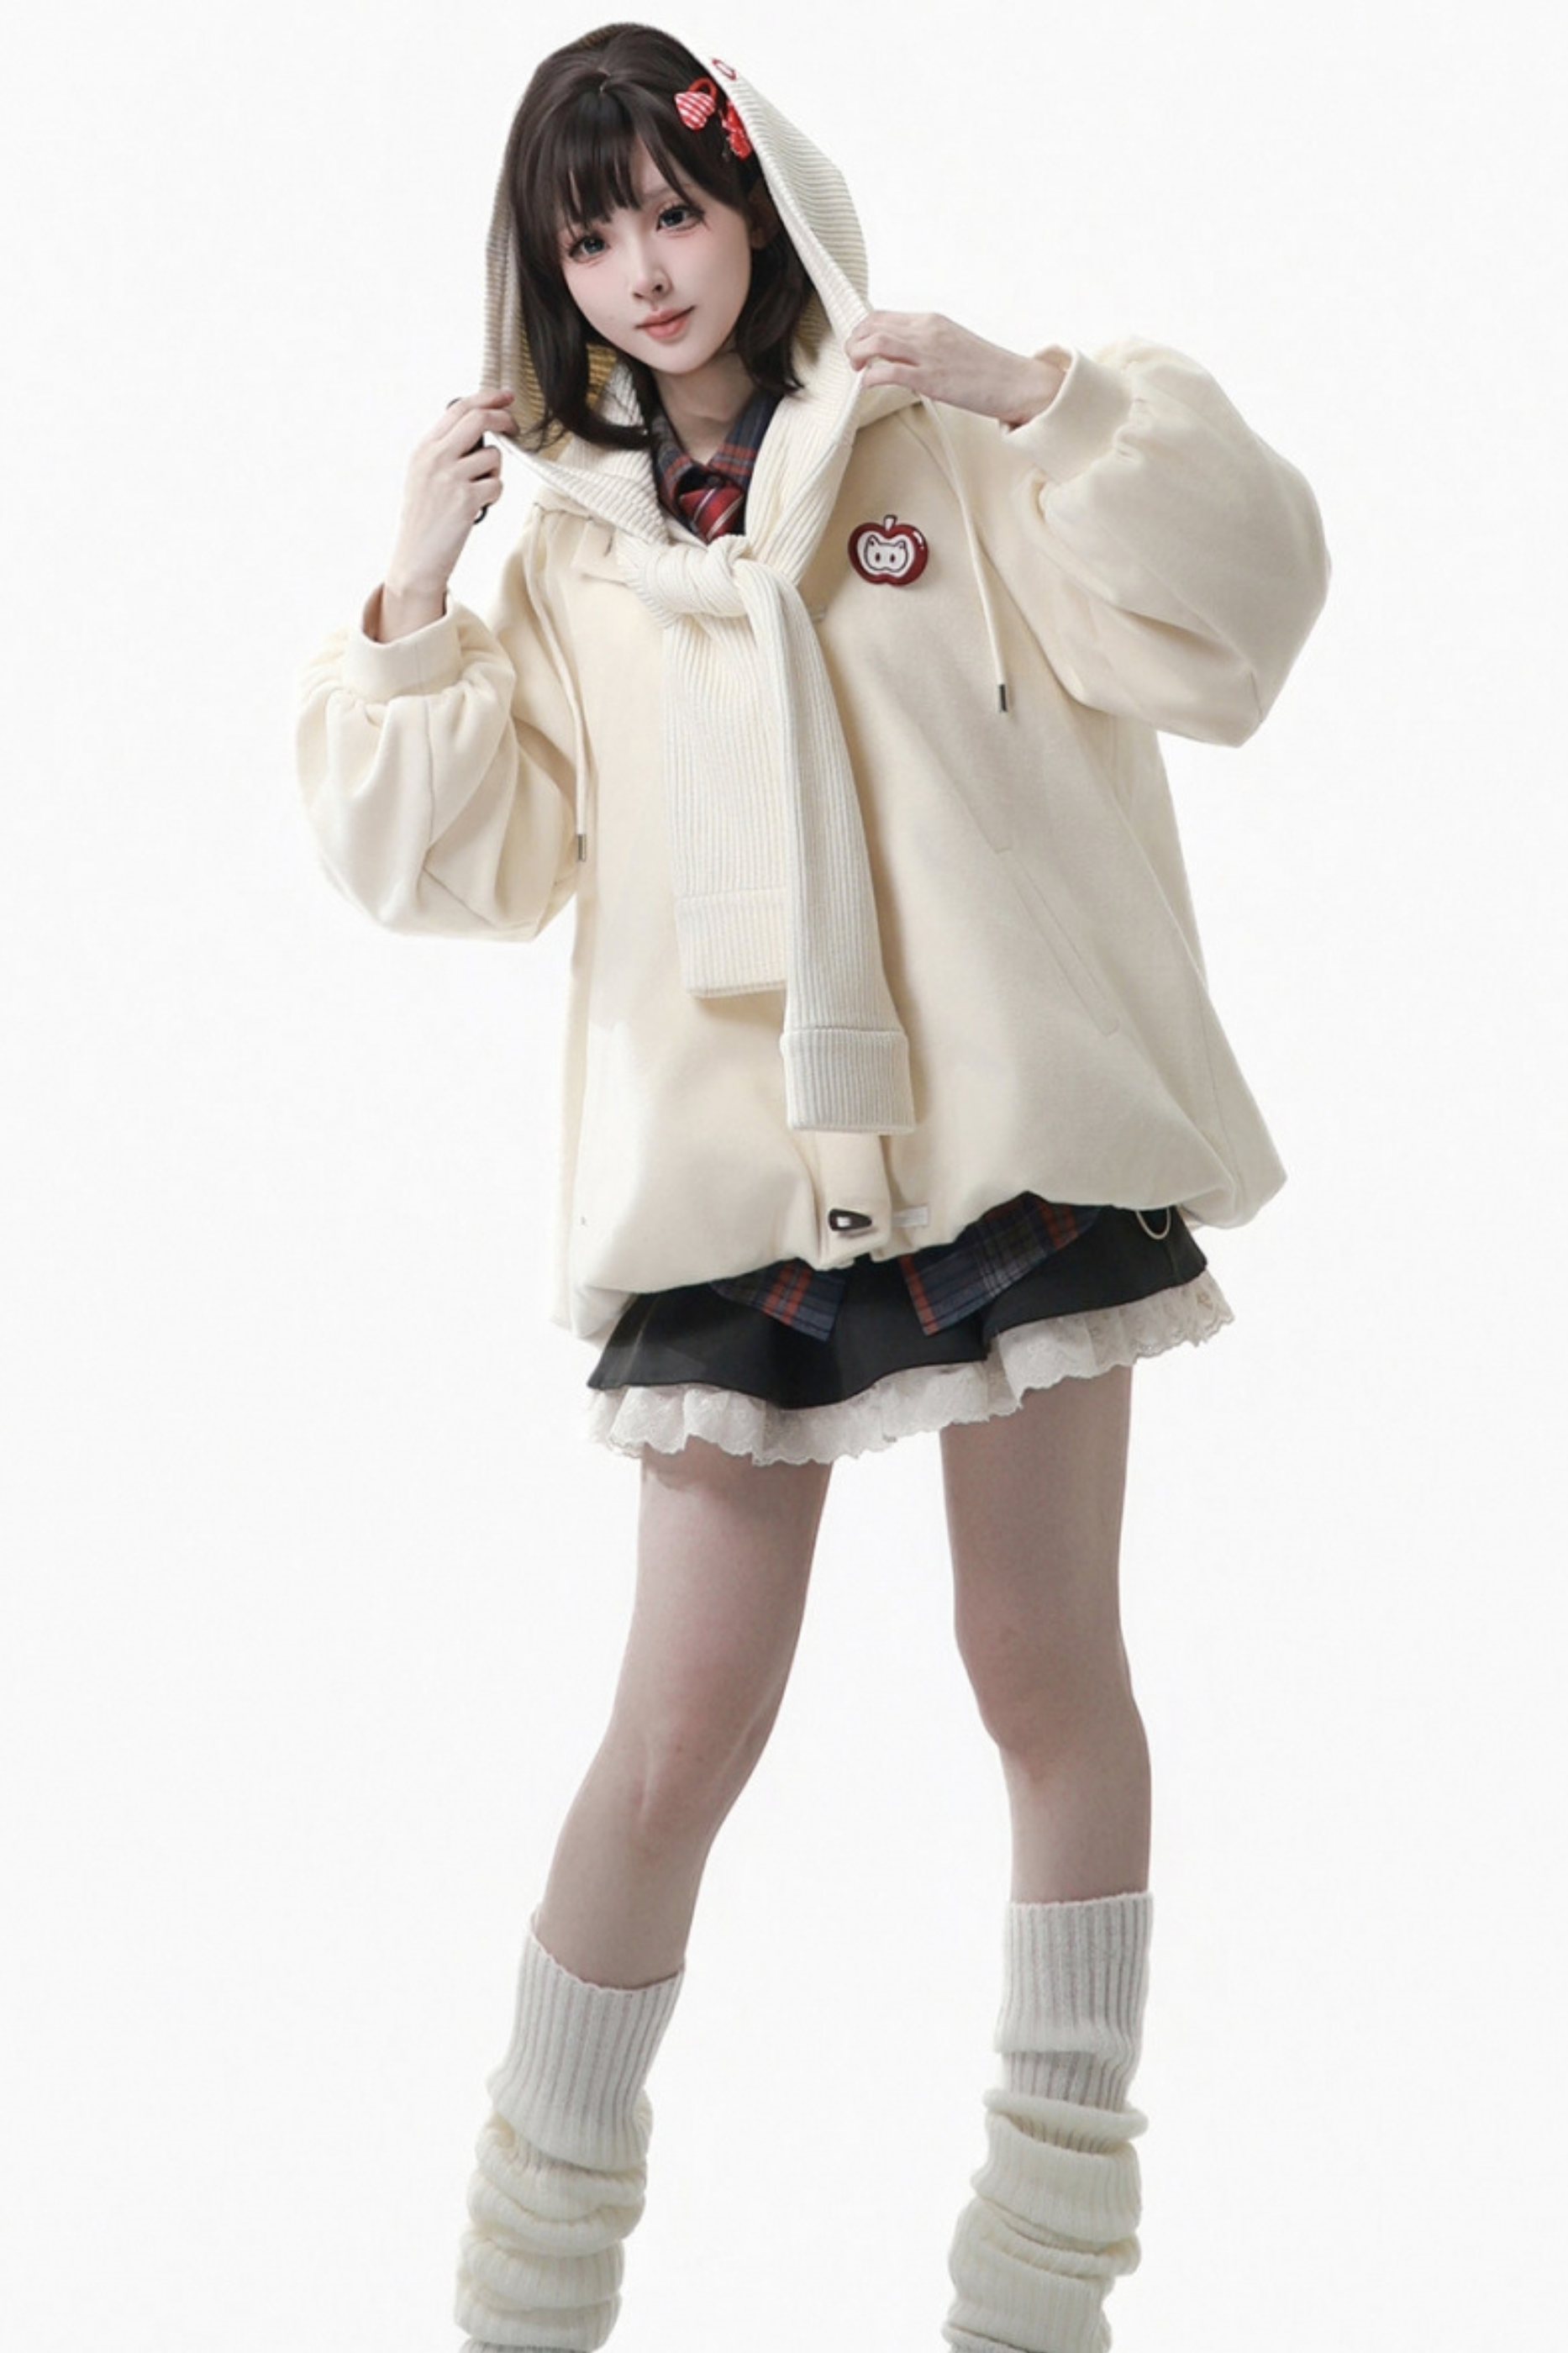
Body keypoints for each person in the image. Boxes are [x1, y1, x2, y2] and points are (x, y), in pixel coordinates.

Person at [297, 22, 1329, 2353]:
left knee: (1041, 1668)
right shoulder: (568, 556)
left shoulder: (930, 442)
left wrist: (1049, 396)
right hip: (733, 1191)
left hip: (1007, 1149)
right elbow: (465, 870)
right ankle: (528, 2291)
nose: (644, 270)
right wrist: (419, 587)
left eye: (673, 208)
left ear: (755, 200)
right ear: (548, 276)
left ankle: (1042, 2279)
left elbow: (1231, 629)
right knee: (679, 1733)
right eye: (591, 238)